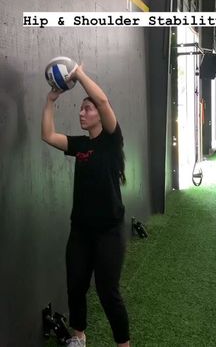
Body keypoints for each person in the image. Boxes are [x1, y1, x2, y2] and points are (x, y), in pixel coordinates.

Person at [41, 63, 130, 347]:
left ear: (100, 116)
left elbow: (102, 100)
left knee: (107, 292)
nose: (82, 112)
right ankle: (78, 337)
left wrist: (78, 74)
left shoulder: (112, 141)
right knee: (76, 286)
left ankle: (123, 345)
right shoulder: (80, 145)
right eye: (80, 109)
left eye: (86, 109)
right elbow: (48, 135)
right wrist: (50, 101)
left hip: (109, 232)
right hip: (80, 231)